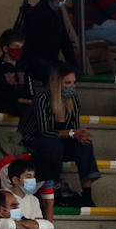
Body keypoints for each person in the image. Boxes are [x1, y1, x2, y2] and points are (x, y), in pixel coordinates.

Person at [19, 66, 99, 207]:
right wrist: (72, 133)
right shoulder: (42, 99)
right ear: (57, 84)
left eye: (74, 83)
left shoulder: (73, 100)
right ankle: (54, 186)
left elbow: (74, 127)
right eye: (68, 83)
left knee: (85, 143)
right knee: (53, 143)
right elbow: (44, 131)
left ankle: (87, 193)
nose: (72, 87)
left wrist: (79, 135)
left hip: (59, 142)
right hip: (34, 140)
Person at [3, 157, 77, 229]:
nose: (33, 180)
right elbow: (14, 226)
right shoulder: (4, 197)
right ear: (15, 180)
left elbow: (39, 225)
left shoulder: (34, 200)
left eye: (33, 176)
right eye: (28, 177)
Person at [21, 0, 79, 84]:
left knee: (71, 72)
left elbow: (64, 40)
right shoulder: (38, 14)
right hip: (38, 61)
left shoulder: (56, 12)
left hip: (50, 60)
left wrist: (73, 64)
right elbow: (33, 45)